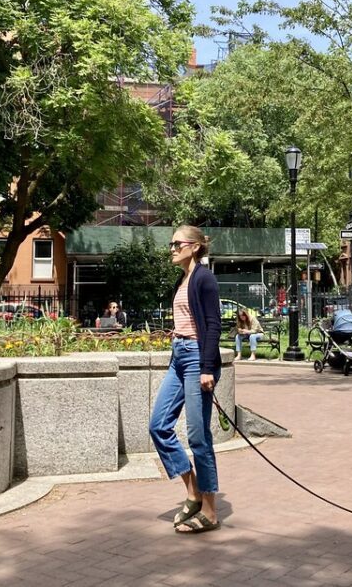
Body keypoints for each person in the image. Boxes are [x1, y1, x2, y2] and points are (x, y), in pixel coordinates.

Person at [148, 225, 222, 534]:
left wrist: (206, 368)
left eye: (177, 243)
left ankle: (210, 511)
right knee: (158, 426)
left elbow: (214, 325)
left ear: (194, 247)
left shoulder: (204, 278)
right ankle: (192, 491)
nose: (172, 248)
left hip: (196, 360)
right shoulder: (184, 279)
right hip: (179, 356)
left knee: (198, 436)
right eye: (171, 243)